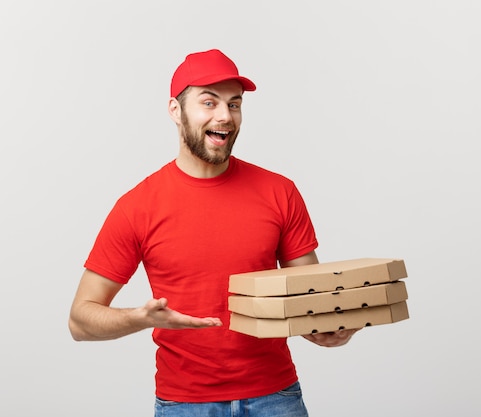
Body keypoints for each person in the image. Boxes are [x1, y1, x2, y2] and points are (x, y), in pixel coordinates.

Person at [68, 49, 359, 417]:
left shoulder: (279, 192)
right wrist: (141, 318)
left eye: (234, 104)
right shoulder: (137, 207)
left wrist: (326, 328)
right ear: (175, 110)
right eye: (209, 102)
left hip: (276, 398)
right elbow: (80, 320)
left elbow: (305, 300)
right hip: (184, 405)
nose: (225, 116)